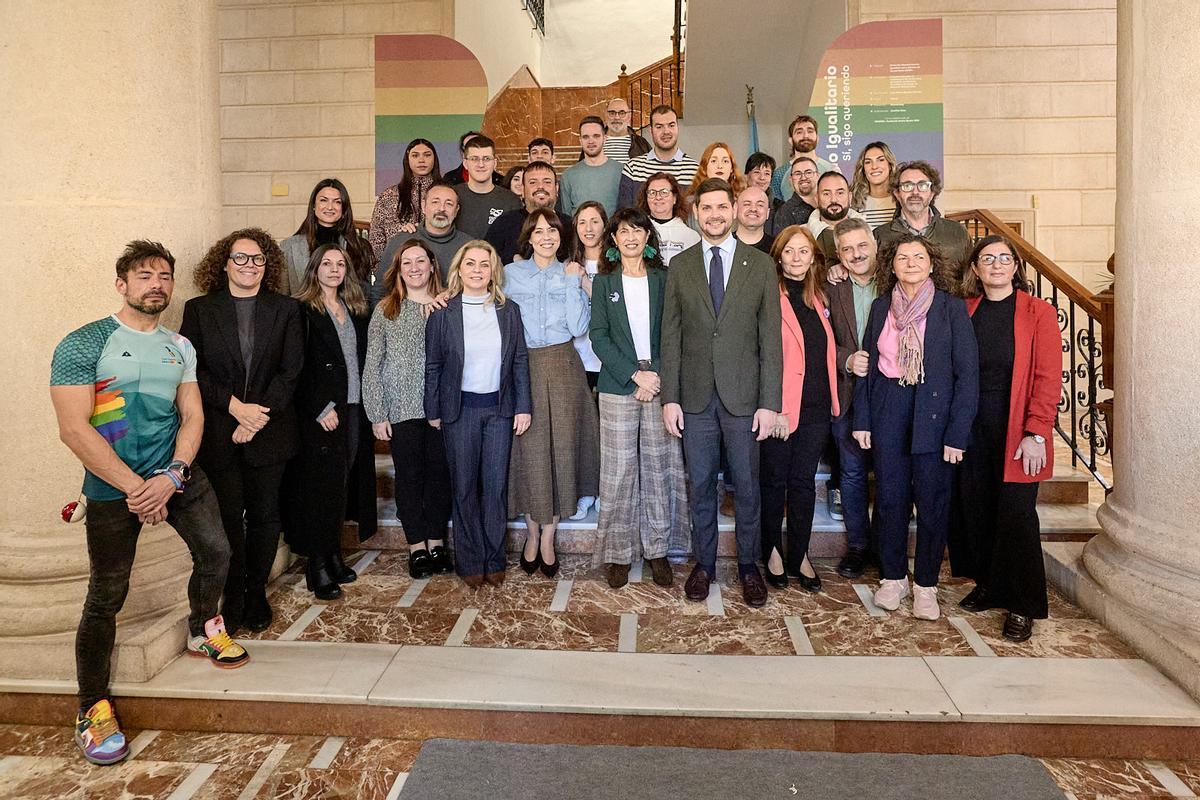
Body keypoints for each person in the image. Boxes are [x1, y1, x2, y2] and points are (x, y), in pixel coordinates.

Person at [51, 241, 248, 766]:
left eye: (164, 275)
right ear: (122, 283)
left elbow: (192, 415)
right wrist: (136, 488)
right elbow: (73, 429)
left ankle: (203, 628)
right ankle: (91, 706)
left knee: (216, 552)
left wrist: (174, 474)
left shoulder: (179, 346)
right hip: (112, 484)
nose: (156, 284)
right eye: (144, 276)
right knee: (105, 595)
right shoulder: (83, 343)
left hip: (175, 474)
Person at [660, 178, 782, 608]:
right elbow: (670, 337)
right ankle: (704, 564)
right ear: (696, 214)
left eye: (720, 207)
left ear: (733, 211)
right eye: (705, 208)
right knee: (701, 489)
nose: (713, 215)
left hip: (745, 400)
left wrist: (770, 403)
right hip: (693, 401)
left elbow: (771, 340)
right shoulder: (681, 266)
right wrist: (669, 398)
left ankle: (749, 567)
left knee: (747, 487)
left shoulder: (761, 265)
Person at [180, 228, 303, 635]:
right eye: (240, 257)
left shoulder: (285, 309)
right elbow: (193, 370)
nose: (249, 265)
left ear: (267, 265)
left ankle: (256, 592)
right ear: (225, 262)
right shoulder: (199, 309)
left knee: (266, 516)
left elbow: (291, 371)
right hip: (219, 430)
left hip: (270, 430)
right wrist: (235, 409)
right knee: (229, 517)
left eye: (257, 259)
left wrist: (256, 419)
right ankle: (233, 594)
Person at [852, 234, 978, 621]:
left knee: (932, 503)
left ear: (931, 264)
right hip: (889, 408)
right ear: (891, 266)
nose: (910, 262)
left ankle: (926, 585)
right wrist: (863, 419)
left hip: (934, 415)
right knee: (889, 500)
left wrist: (958, 434)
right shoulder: (880, 308)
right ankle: (893, 578)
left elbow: (967, 375)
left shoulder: (949, 309)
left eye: (918, 256)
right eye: (902, 257)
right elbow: (868, 366)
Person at [952, 235, 1059, 642]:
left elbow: (1048, 378)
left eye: (1004, 258)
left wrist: (1037, 433)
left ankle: (1022, 604)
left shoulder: (1039, 313)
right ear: (976, 269)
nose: (996, 264)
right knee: (976, 507)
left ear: (1015, 266)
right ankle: (990, 584)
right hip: (972, 426)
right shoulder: (966, 310)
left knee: (1017, 515)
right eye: (987, 259)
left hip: (1017, 425)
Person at [590, 208, 688, 589]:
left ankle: (658, 551)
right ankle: (617, 553)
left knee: (659, 469)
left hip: (660, 384)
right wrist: (634, 374)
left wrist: (655, 376)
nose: (630, 237)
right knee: (618, 473)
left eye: (638, 231)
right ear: (613, 240)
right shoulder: (604, 281)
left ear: (648, 238)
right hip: (619, 385)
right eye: (623, 232)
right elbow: (598, 336)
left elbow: (676, 331)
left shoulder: (665, 279)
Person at [426, 242, 532, 587]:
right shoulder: (443, 313)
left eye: (483, 265)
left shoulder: (508, 310)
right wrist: (434, 409)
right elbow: (433, 365)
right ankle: (471, 561)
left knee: (495, 488)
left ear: (493, 271)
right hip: (460, 411)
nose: (476, 270)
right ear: (458, 269)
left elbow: (518, 360)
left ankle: (494, 558)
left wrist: (523, 406)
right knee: (464, 487)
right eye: (469, 264)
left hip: (499, 410)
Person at [503, 209, 600, 577]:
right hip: (523, 365)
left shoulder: (570, 272)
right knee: (528, 451)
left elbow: (578, 327)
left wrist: (574, 284)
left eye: (552, 231)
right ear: (529, 237)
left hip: (563, 366)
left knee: (562, 448)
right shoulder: (511, 274)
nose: (546, 236)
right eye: (538, 231)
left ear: (561, 236)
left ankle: (549, 536)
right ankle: (531, 533)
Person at [284, 243, 377, 600]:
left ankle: (333, 553)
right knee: (320, 487)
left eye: (340, 264)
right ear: (314, 269)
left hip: (353, 406)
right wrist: (319, 407)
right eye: (327, 263)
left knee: (341, 483)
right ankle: (317, 565)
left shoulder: (353, 308)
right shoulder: (302, 310)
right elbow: (296, 365)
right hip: (322, 412)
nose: (334, 269)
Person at [363, 239, 454, 580]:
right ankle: (416, 546)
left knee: (439, 478)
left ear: (432, 265)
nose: (414, 267)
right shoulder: (386, 309)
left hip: (440, 409)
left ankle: (436, 542)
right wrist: (377, 412)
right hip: (400, 407)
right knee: (410, 478)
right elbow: (373, 364)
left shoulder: (448, 306)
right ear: (398, 270)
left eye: (420, 261)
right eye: (407, 263)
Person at [759, 225, 840, 592]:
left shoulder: (819, 297)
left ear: (812, 258)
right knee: (775, 480)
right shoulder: (767, 295)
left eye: (803, 252)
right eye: (789, 251)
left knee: (803, 482)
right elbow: (760, 356)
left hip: (816, 406)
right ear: (778, 256)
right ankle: (772, 551)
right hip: (781, 407)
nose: (796, 258)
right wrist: (772, 406)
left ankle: (801, 554)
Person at [827, 218, 881, 578]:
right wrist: (847, 357)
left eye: (861, 246)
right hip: (847, 392)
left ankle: (887, 547)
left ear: (874, 244)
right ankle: (859, 547)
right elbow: (816, 340)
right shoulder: (831, 287)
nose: (855, 254)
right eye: (846, 249)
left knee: (893, 474)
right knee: (851, 473)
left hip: (893, 393)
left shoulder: (897, 281)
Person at [373, 182, 472, 300]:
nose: (442, 209)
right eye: (435, 202)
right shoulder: (401, 241)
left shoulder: (469, 247)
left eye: (449, 204)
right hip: (405, 316)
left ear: (456, 211)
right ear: (424, 206)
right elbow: (380, 289)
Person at [279, 178, 375, 297]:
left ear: (344, 209)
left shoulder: (360, 247)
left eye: (337, 202)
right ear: (314, 206)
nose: (330, 207)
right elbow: (282, 296)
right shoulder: (289, 247)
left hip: (345, 314)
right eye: (324, 200)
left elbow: (366, 296)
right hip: (302, 314)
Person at [875, 160, 972, 274]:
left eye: (923, 185)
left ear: (932, 193)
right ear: (897, 193)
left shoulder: (957, 232)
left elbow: (970, 277)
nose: (915, 192)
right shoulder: (881, 235)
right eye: (907, 186)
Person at [616, 105, 699, 210]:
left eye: (671, 125)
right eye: (659, 126)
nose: (666, 131)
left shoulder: (694, 170)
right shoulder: (633, 168)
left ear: (678, 128)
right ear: (651, 131)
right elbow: (624, 214)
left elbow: (696, 215)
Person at [369, 138, 440, 259]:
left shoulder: (446, 194)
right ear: (407, 160)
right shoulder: (390, 195)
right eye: (415, 155)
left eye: (427, 155)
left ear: (435, 159)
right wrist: (383, 266)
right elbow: (376, 236)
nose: (421, 160)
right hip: (395, 266)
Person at [486, 160, 558, 266]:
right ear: (523, 190)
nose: (540, 187)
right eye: (533, 182)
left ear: (557, 188)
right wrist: (511, 260)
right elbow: (485, 259)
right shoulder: (503, 224)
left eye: (547, 182)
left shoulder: (569, 225)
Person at [568, 201, 608, 393]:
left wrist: (585, 282)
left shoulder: (617, 264)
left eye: (595, 221)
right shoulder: (569, 265)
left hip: (608, 360)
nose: (588, 228)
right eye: (582, 222)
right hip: (578, 359)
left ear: (605, 225)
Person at [454, 135, 522, 239]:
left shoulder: (511, 200)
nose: (481, 164)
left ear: (495, 163)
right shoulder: (453, 196)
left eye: (486, 159)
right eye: (474, 159)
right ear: (465, 163)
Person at [560, 116, 623, 217]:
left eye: (596, 136)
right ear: (580, 140)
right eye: (586, 137)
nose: (591, 141)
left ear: (605, 138)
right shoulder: (568, 175)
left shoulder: (621, 171)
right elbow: (566, 216)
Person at [771, 114, 837, 202]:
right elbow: (776, 210)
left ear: (817, 138)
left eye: (810, 131)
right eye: (799, 132)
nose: (805, 135)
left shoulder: (832, 170)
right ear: (790, 140)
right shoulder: (779, 174)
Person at [637, 172, 700, 265]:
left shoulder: (691, 236)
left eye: (664, 192)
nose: (658, 197)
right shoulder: (637, 233)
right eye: (652, 193)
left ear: (674, 198)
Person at [808, 171, 866, 264]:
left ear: (850, 197)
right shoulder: (803, 235)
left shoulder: (869, 234)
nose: (834, 199)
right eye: (826, 194)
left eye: (840, 193)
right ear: (816, 199)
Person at [851, 142, 897, 229]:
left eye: (881, 160)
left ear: (890, 165)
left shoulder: (901, 199)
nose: (874, 166)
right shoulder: (854, 201)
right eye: (868, 162)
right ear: (863, 169)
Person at [768, 157, 818, 237]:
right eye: (798, 174)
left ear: (818, 175)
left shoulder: (828, 205)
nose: (803, 177)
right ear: (791, 180)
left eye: (808, 172)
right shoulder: (784, 213)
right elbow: (781, 246)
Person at [601, 97, 650, 164]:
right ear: (605, 115)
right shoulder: (594, 142)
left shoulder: (641, 144)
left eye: (622, 113)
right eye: (612, 113)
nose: (617, 117)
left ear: (629, 116)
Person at [734, 186, 773, 254]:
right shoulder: (722, 245)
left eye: (760, 205)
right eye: (747, 204)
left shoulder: (777, 248)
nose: (753, 209)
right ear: (735, 209)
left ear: (767, 213)